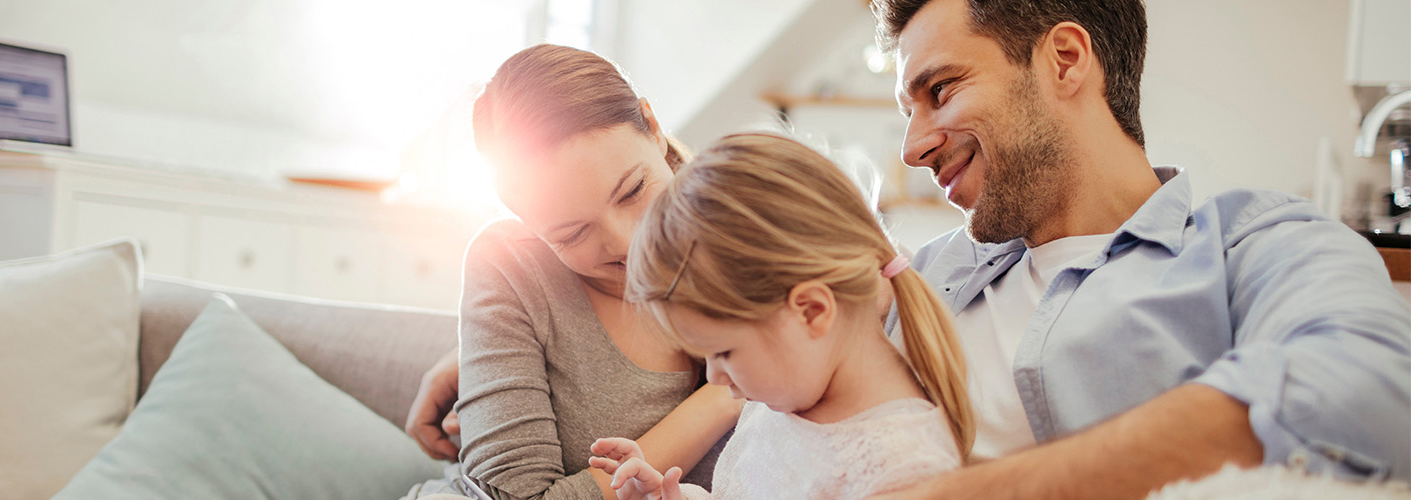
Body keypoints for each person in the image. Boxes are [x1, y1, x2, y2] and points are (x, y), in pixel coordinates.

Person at [868, 0, 1411, 498]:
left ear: (1064, 59)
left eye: (940, 91)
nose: (913, 149)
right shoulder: (914, 278)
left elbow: (1371, 390)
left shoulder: (1253, 245)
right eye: (908, 113)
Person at [401, 44, 740, 500]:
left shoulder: (750, 226)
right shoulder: (513, 265)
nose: (626, 243)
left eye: (633, 190)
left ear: (653, 127)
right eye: (571, 234)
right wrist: (729, 395)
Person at [587, 133, 971, 500]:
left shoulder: (902, 472)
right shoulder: (784, 392)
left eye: (723, 353)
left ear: (811, 311)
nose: (714, 378)